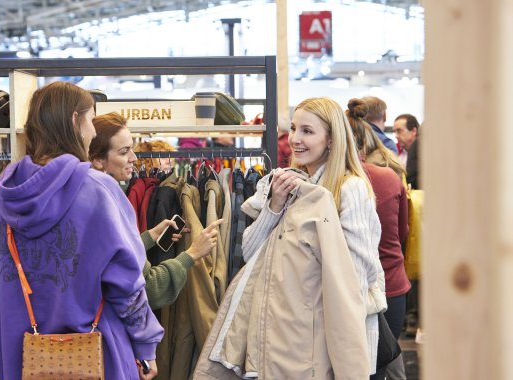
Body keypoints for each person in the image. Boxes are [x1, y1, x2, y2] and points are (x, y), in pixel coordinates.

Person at [0, 81, 164, 380]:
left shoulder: (0, 195)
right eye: (90, 120)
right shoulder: (99, 190)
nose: (93, 132)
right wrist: (145, 346)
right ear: (74, 120)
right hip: (97, 356)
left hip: (20, 358)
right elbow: (126, 283)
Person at [194, 97, 382, 379]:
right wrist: (274, 206)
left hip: (322, 337)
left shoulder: (349, 189)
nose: (296, 139)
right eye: (294, 129)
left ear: (331, 139)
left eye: (308, 131)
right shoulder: (287, 183)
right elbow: (250, 254)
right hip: (285, 336)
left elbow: (355, 280)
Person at [89, 112, 222, 310]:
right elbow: (148, 287)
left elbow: (115, 257)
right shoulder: (108, 206)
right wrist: (193, 253)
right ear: (99, 160)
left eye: (132, 149)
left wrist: (149, 237)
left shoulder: (90, 196)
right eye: (124, 151)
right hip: (109, 328)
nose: (134, 158)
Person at [347, 98, 410, 379]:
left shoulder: (334, 184)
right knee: (380, 368)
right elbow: (404, 231)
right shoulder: (389, 176)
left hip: (353, 290)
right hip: (393, 283)